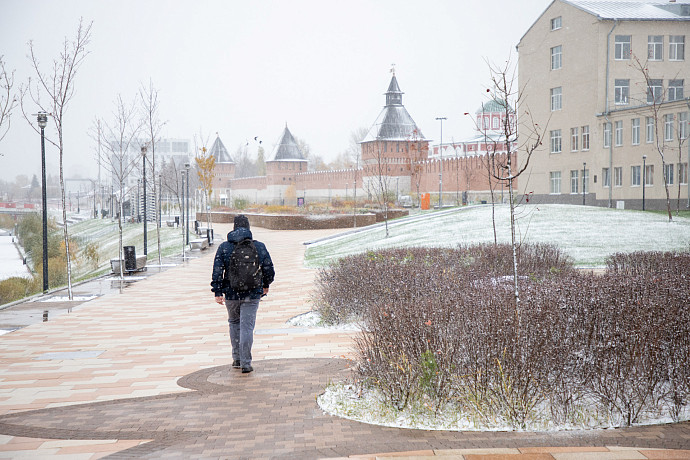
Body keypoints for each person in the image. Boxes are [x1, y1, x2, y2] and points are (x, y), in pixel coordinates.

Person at [211, 215, 274, 373]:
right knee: (247, 327)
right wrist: (265, 285)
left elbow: (217, 270)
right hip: (252, 294)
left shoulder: (224, 247)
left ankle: (237, 358)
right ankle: (246, 362)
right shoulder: (258, 246)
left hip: (231, 294)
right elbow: (268, 269)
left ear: (234, 227)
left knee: (234, 323)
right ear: (248, 228)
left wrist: (218, 291)